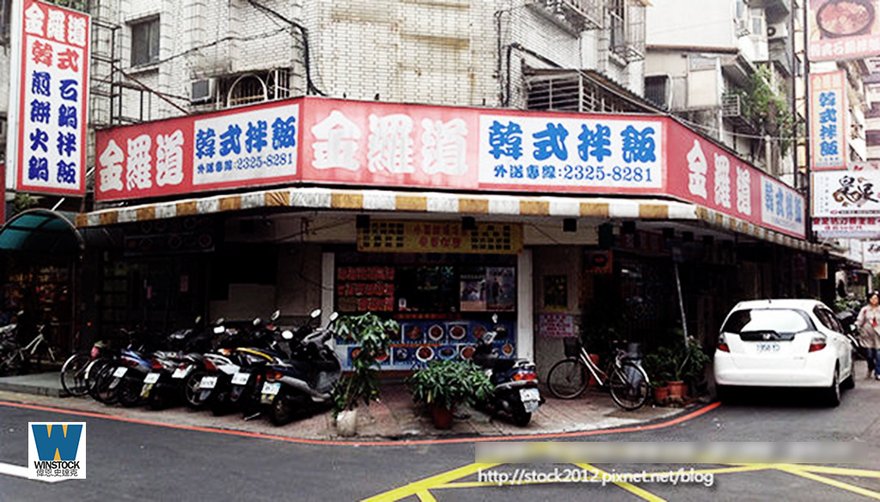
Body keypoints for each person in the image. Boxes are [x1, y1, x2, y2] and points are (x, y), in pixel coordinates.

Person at [856, 291, 880, 379]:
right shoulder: (865, 310)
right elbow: (860, 320)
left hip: (878, 335)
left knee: (878, 354)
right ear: (869, 299)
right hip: (867, 335)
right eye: (872, 298)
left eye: (876, 298)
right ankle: (871, 366)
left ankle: (878, 373)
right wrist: (857, 327)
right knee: (869, 354)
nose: (874, 300)